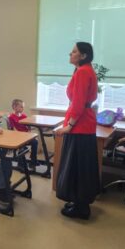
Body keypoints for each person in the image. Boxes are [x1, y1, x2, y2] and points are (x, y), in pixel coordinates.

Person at [54, 42, 101, 220]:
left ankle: (81, 208)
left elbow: (79, 102)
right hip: (84, 124)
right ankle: (78, 202)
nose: (70, 54)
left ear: (83, 55)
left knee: (77, 167)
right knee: (80, 166)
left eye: (74, 51)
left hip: (80, 126)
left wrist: (69, 126)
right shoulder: (85, 70)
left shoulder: (83, 72)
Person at [8, 98, 40, 171]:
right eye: (21, 107)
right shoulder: (11, 117)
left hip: (25, 136)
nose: (23, 108)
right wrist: (22, 136)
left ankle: (33, 160)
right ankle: (20, 164)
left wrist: (29, 133)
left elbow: (28, 127)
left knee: (35, 142)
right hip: (18, 136)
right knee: (22, 146)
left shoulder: (24, 116)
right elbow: (13, 130)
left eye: (23, 107)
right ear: (14, 107)